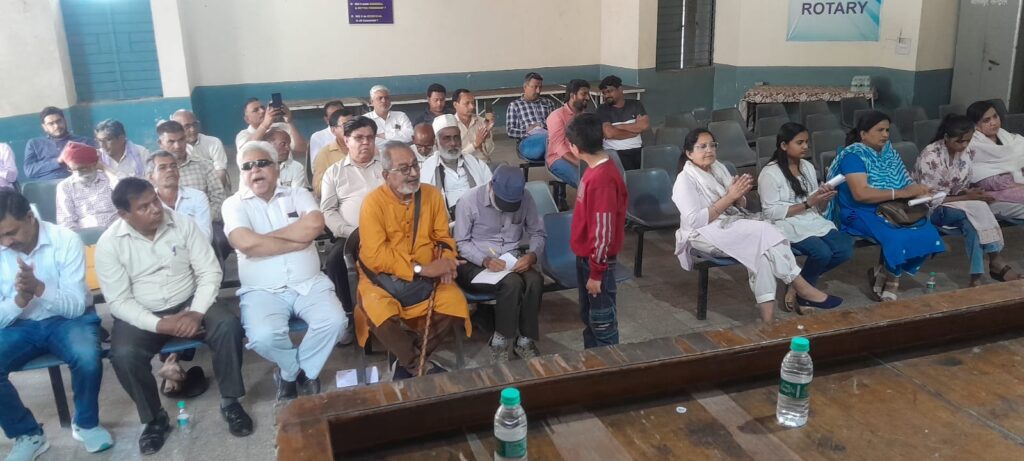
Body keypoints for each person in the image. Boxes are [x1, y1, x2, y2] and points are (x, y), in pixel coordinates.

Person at [96, 178, 252, 455]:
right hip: (143, 312)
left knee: (227, 325)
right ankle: (154, 419)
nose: (156, 209)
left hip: (191, 301)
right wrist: (160, 324)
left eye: (155, 200)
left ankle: (230, 402)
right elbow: (118, 301)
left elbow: (209, 271)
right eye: (144, 207)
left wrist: (196, 312)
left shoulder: (182, 224)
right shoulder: (109, 244)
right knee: (123, 354)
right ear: (124, 214)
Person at [676, 128, 843, 321]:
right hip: (703, 233)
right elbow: (696, 221)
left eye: (712, 145)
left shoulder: (718, 168)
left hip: (730, 223)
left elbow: (741, 205)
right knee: (765, 229)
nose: (709, 150)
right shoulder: (684, 180)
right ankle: (801, 286)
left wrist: (738, 196)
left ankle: (768, 321)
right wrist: (729, 197)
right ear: (689, 153)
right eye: (702, 146)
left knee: (763, 253)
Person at [223, 141, 346, 400]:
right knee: (263, 337)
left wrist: (261, 241)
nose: (255, 169)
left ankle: (291, 374)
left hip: (309, 283)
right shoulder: (233, 204)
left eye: (262, 163)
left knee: (336, 322)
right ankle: (297, 371)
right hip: (262, 291)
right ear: (242, 173)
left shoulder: (297, 194)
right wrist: (296, 240)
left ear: (277, 168)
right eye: (247, 166)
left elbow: (314, 225)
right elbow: (245, 243)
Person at [0, 190, 112, 459]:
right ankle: (28, 434)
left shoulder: (65, 240)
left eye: (11, 233)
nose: (5, 242)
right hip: (19, 324)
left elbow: (76, 306)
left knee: (86, 356)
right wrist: (20, 299)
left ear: (30, 217)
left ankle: (86, 424)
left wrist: (39, 288)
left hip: (67, 321)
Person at [357, 141, 472, 379]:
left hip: (428, 278)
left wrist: (446, 261)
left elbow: (443, 238)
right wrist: (422, 269)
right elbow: (376, 255)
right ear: (386, 175)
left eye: (415, 166)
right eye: (404, 169)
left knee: (454, 302)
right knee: (378, 312)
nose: (413, 173)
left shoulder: (431, 195)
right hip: (382, 281)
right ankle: (417, 364)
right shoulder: (372, 204)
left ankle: (405, 360)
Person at [825, 110, 945, 301]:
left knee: (927, 231)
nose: (885, 135)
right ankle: (892, 279)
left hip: (891, 207)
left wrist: (919, 191)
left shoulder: (889, 153)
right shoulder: (853, 156)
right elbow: (861, 194)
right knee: (896, 236)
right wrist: (903, 193)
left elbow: (904, 181)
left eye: (887, 130)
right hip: (858, 211)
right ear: (863, 134)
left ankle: (882, 272)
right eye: (879, 130)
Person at [454, 166, 546, 362]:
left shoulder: (526, 198)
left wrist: (532, 255)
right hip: (474, 262)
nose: (506, 209)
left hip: (511, 258)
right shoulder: (468, 201)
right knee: (512, 283)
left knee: (535, 280)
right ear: (491, 187)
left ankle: (525, 339)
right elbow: (461, 243)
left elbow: (537, 232)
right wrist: (484, 260)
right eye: (503, 203)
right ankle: (500, 340)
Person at [914, 114, 1018, 286]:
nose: (963, 146)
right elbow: (930, 199)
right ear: (946, 137)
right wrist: (968, 197)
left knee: (972, 222)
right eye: (959, 141)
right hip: (931, 208)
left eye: (967, 141)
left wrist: (970, 191)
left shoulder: (966, 152)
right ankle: (995, 262)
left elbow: (958, 186)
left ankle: (976, 276)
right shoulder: (930, 156)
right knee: (974, 213)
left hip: (957, 204)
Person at [758, 123, 853, 310]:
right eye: (799, 142)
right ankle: (806, 295)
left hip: (810, 218)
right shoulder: (770, 173)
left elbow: (817, 207)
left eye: (806, 142)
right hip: (785, 223)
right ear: (784, 145)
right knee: (822, 253)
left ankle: (798, 284)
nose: (805, 147)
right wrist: (807, 204)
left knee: (845, 249)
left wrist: (823, 198)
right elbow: (770, 212)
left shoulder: (807, 167)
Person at [565, 114, 628, 347]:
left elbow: (603, 231)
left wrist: (596, 272)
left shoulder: (602, 179)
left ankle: (608, 364)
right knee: (590, 317)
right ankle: (591, 361)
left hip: (597, 262)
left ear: (575, 148)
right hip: (587, 258)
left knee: (603, 323)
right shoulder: (594, 170)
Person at [320, 115, 384, 343]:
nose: (365, 142)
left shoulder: (387, 167)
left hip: (389, 234)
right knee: (335, 260)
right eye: (359, 138)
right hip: (351, 236)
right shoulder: (334, 172)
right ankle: (348, 316)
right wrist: (349, 231)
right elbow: (328, 211)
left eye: (370, 137)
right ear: (346, 140)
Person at [157, 120, 230, 257]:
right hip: (165, 226)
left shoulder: (204, 165)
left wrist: (202, 217)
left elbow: (219, 197)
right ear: (160, 144)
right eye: (171, 142)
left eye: (181, 140)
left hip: (204, 221)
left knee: (221, 241)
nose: (178, 146)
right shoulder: (153, 172)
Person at [421, 114, 493, 217]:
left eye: (456, 137)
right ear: (436, 142)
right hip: (445, 223)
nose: (453, 143)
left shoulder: (475, 163)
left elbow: (491, 192)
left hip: (478, 219)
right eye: (447, 138)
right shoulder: (427, 169)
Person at [965, 100, 1024, 220]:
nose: (994, 122)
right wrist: (1015, 183)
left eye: (995, 116)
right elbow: (984, 180)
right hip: (992, 194)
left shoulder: (1006, 136)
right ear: (975, 125)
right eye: (986, 120)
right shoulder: (972, 145)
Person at [147, 150, 212, 240]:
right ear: (151, 177)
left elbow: (205, 236)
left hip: (196, 248)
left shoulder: (197, 197)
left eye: (173, 166)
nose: (170, 170)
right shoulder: (147, 204)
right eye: (162, 168)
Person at [55, 142, 119, 230]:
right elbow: (66, 222)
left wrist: (104, 168)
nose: (78, 173)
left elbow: (126, 192)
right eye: (73, 169)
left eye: (82, 169)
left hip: (115, 230)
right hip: (85, 234)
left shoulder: (109, 178)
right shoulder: (65, 186)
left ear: (94, 164)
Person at [24, 107, 95, 180]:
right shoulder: (34, 144)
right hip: (46, 185)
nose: (57, 126)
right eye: (51, 124)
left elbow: (95, 165)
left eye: (59, 121)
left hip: (77, 182)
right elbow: (29, 171)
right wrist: (58, 161)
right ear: (44, 127)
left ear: (65, 121)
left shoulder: (84, 141)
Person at [597, 75, 648, 170]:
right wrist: (634, 131)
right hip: (614, 153)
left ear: (620, 89)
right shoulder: (602, 109)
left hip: (638, 151)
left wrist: (618, 126)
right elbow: (609, 133)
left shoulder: (636, 104)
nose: (606, 95)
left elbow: (643, 126)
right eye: (604, 93)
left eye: (609, 91)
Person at [546, 79, 590, 188]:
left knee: (604, 177)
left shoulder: (586, 116)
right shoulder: (557, 116)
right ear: (573, 95)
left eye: (588, 94)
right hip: (559, 158)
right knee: (585, 182)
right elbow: (559, 147)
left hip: (582, 156)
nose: (588, 98)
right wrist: (580, 163)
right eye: (584, 94)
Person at [171, 110, 230, 190]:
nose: (193, 129)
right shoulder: (175, 149)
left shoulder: (213, 142)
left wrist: (216, 192)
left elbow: (220, 171)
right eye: (187, 126)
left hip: (214, 187)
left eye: (195, 124)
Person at [506, 72, 556, 161]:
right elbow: (510, 131)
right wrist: (528, 131)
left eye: (540, 87)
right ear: (525, 87)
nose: (538, 91)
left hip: (549, 138)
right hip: (528, 141)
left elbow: (555, 125)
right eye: (535, 87)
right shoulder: (515, 105)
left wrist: (542, 126)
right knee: (551, 144)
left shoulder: (548, 103)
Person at [234, 97, 308, 156]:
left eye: (263, 107)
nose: (262, 111)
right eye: (255, 110)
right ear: (247, 119)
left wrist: (289, 121)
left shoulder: (281, 126)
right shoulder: (243, 135)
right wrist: (265, 125)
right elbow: (245, 151)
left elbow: (302, 149)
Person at [312, 108, 356, 198]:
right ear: (333, 130)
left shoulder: (365, 148)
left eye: (354, 124)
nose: (351, 128)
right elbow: (318, 189)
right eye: (345, 125)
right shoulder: (325, 154)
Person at [452, 88, 495, 162]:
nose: (472, 107)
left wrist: (487, 136)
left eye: (473, 103)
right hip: (461, 165)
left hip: (482, 164)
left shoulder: (482, 122)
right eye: (467, 103)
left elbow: (488, 152)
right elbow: (453, 157)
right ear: (455, 105)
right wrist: (475, 144)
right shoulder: (451, 126)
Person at [309, 100, 345, 165]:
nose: (339, 118)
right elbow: (315, 164)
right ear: (327, 120)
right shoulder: (318, 137)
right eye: (334, 116)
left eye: (341, 114)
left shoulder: (355, 132)